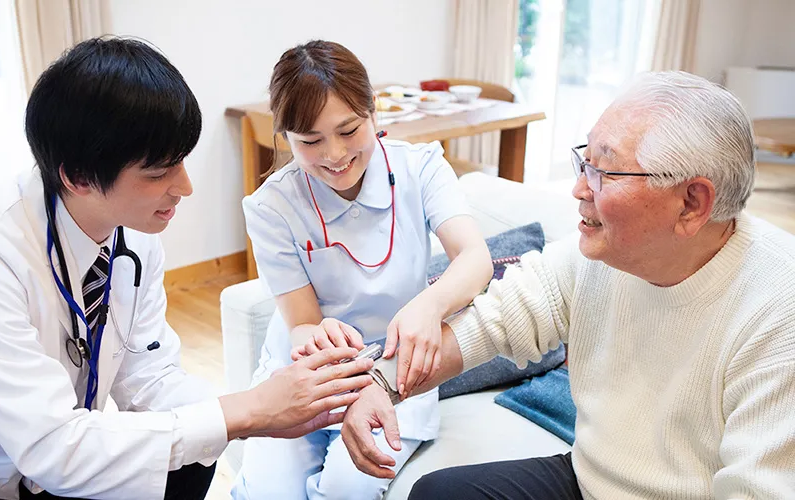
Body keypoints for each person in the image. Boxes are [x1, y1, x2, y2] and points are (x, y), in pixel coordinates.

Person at [340, 71, 795, 499]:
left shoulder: (778, 309)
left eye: (605, 171)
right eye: (585, 159)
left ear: (692, 203)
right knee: (437, 493)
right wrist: (380, 383)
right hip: (590, 482)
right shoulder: (598, 255)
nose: (579, 189)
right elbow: (492, 320)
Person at [0, 37, 375, 500]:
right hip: (14, 473)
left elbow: (148, 376)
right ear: (77, 177)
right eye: (158, 174)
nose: (186, 187)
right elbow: (51, 447)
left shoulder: (131, 232)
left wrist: (267, 413)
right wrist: (247, 411)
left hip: (60, 465)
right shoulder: (6, 254)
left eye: (181, 163)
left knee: (195, 453)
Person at [231, 40, 493, 500]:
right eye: (309, 141)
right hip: (309, 369)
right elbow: (302, 323)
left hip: (395, 368)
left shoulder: (421, 166)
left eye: (349, 130)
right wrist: (316, 338)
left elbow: (475, 259)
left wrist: (428, 306)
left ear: (374, 113)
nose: (334, 155)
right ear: (286, 137)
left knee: (345, 491)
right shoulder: (271, 205)